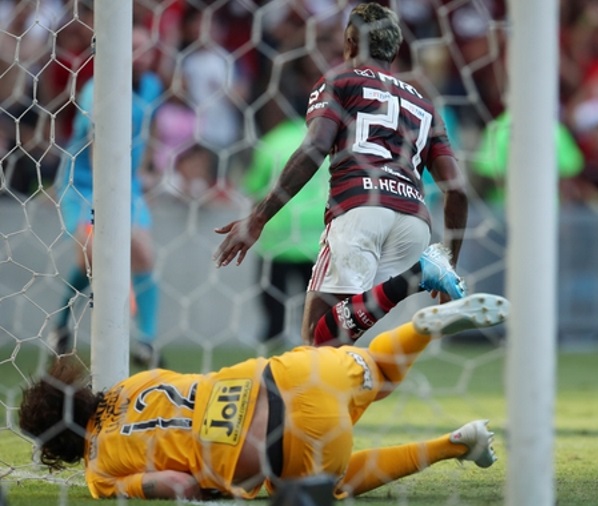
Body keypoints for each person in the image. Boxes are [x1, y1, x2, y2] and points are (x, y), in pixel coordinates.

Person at [19, 294, 509, 500]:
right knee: (380, 373)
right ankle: (419, 328)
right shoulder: (130, 385)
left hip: (285, 446)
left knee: (327, 486)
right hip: (293, 372)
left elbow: (176, 483)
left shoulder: (99, 472)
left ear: (56, 444)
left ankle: (455, 444)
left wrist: (206, 488)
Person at [214, 2, 469, 347]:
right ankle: (420, 273)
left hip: (360, 212)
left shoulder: (340, 81)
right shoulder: (425, 105)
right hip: (414, 226)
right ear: (394, 51)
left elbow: (315, 147)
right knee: (338, 339)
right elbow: (457, 189)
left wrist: (259, 218)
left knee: (316, 338)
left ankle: (421, 272)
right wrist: (450, 261)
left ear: (349, 43)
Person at [49, 25, 164, 368]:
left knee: (143, 253)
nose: (141, 55)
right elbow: (96, 142)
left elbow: (147, 130)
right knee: (92, 256)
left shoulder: (152, 86)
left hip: (126, 184)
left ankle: (146, 342)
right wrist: (105, 199)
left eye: (146, 49)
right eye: (133, 48)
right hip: (87, 184)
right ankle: (61, 325)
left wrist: (146, 170)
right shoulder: (97, 90)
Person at [244, 113, 329, 346]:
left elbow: (254, 187)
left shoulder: (272, 141)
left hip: (278, 236)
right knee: (313, 311)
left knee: (274, 304)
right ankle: (313, 345)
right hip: (317, 237)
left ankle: (272, 342)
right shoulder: (327, 138)